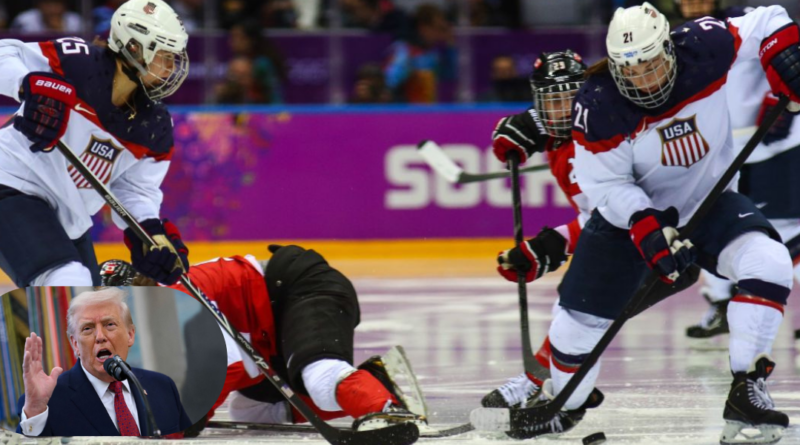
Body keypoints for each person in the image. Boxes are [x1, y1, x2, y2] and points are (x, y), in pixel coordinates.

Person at [491, 3, 799, 442]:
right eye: (630, 70)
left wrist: (786, 60)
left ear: (669, 51)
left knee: (768, 261)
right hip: (624, 226)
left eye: (651, 65)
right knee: (575, 326)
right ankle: (567, 402)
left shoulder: (705, 45)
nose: (643, 80)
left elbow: (769, 19)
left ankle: (747, 388)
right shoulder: (598, 106)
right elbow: (609, 188)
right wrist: (645, 225)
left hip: (705, 202)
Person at [482, 50, 697, 411]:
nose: (563, 110)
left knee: (579, 307)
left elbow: (614, 213)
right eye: (552, 102)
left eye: (572, 99)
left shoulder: (602, 132)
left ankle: (548, 386)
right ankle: (558, 381)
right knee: (578, 306)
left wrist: (551, 245)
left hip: (664, 244)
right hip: (642, 239)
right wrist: (534, 126)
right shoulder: (572, 133)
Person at [100, 245, 427, 432]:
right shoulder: (158, 308)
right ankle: (376, 384)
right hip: (267, 336)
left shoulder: (171, 293)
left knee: (319, 374)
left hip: (299, 290)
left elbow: (222, 365)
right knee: (253, 412)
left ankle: (384, 407)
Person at [0, 0, 190, 287]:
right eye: (165, 55)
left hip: (66, 215)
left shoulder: (156, 126)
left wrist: (146, 230)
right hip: (12, 182)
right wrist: (28, 83)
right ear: (135, 47)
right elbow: (5, 53)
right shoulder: (76, 61)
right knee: (67, 281)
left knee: (91, 303)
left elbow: (135, 189)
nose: (171, 67)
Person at [672, 0, 800, 342]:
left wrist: (784, 99)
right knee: (709, 228)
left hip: (774, 148)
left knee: (788, 231)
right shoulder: (673, 38)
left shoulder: (746, 22)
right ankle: (721, 306)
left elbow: (787, 51)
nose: (691, 2)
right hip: (723, 155)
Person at [16, 288, 192, 436]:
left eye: (109, 325)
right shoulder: (45, 403)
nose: (100, 337)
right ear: (75, 344)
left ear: (130, 335)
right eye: (88, 328)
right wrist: (35, 411)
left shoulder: (162, 386)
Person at [10, 0, 82, 34]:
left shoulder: (74, 20)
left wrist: (60, 30)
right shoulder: (25, 20)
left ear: (64, 7)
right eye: (47, 4)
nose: (52, 9)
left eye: (56, 4)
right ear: (39, 5)